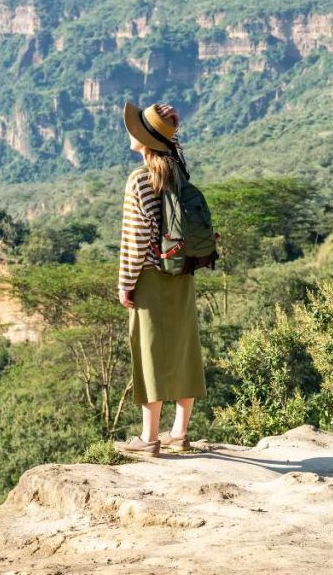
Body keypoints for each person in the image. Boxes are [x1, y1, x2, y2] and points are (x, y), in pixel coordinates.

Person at [113, 101, 207, 457]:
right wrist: (171, 129)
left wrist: (126, 283)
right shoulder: (178, 171)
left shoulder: (139, 180)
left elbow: (135, 241)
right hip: (181, 271)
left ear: (143, 138)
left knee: (148, 351)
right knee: (184, 345)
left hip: (151, 275)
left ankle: (149, 438)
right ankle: (179, 433)